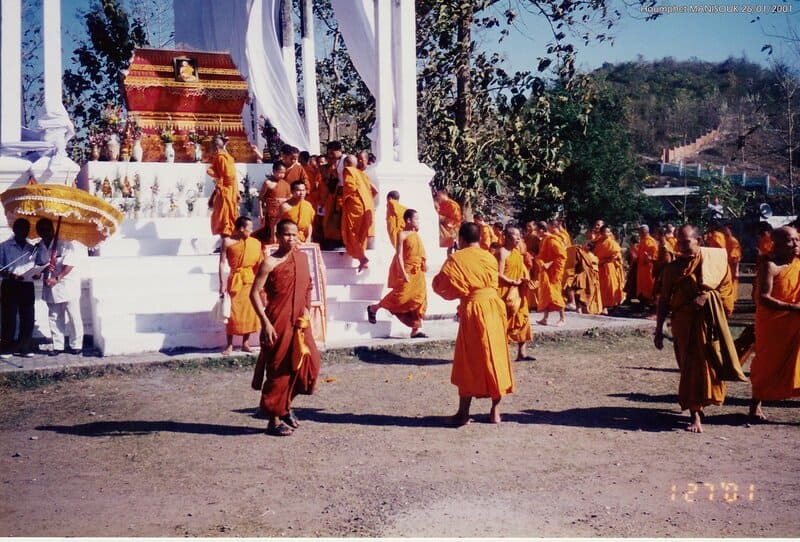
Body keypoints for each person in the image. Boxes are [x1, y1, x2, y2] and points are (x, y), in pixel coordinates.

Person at [654, 225, 746, 433]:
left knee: (709, 366)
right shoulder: (672, 269)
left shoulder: (715, 263)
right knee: (690, 367)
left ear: (699, 241)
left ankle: (700, 406)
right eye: (679, 242)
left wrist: (707, 295)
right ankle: (694, 413)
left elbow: (726, 293)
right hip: (683, 324)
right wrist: (659, 330)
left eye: (687, 242)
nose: (682, 246)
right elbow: (664, 301)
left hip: (709, 323)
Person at [432, 222, 515, 425]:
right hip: (495, 309)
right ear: (479, 238)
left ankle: (463, 413)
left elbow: (440, 286)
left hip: (474, 310)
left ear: (461, 239)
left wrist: (450, 263)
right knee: (495, 356)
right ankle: (495, 411)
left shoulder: (457, 258)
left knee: (469, 360)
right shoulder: (489, 257)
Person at [249, 220, 321, 436]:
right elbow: (254, 293)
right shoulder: (269, 263)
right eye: (286, 235)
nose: (291, 238)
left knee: (310, 364)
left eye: (294, 234)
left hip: (299, 321)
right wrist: (265, 322)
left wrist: (306, 310)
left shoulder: (302, 258)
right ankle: (274, 419)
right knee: (279, 368)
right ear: (277, 236)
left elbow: (308, 285)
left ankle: (285, 404)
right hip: (277, 321)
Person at [748, 226, 800, 421]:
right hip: (773, 322)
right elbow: (763, 298)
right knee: (766, 363)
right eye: (790, 240)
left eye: (797, 239)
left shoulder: (798, 262)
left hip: (795, 321)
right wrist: (792, 307)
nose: (795, 244)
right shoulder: (770, 265)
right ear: (777, 244)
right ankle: (755, 404)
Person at [367, 209, 428, 338]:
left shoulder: (416, 235)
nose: (418, 222)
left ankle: (415, 329)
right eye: (416, 219)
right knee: (400, 296)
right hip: (407, 270)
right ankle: (374, 308)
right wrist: (403, 273)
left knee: (419, 299)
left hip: (418, 272)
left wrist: (424, 263)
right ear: (409, 220)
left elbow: (420, 253)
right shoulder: (403, 235)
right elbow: (399, 256)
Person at [34, 219, 85, 356]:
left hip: (67, 283)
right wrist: (43, 270)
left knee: (73, 315)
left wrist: (57, 277)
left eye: (47, 230)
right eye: (41, 231)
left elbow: (70, 264)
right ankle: (58, 345)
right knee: (54, 316)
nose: (45, 233)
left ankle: (76, 345)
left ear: (52, 229)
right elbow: (38, 265)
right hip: (50, 285)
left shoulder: (65, 243)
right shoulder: (39, 247)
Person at [220, 216, 263, 355]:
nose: (251, 231)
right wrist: (221, 283)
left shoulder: (255, 243)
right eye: (249, 228)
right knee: (232, 313)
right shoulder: (227, 242)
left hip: (250, 280)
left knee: (250, 313)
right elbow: (221, 263)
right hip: (235, 281)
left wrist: (260, 283)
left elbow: (259, 264)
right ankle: (229, 345)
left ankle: (245, 343)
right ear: (241, 228)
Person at [0, 219, 37, 358]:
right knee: (8, 316)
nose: (23, 232)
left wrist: (37, 272)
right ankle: (6, 348)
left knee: (28, 316)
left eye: (26, 229)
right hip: (10, 284)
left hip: (27, 284)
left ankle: (24, 347)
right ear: (14, 229)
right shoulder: (4, 246)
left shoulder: (31, 248)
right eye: (20, 229)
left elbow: (36, 266)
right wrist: (9, 274)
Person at [496, 226, 534, 360]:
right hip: (505, 292)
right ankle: (500, 353)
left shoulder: (517, 252)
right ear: (506, 236)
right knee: (504, 322)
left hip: (518, 290)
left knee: (523, 319)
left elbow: (522, 270)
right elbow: (498, 274)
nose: (518, 238)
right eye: (515, 235)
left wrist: (524, 280)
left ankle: (522, 353)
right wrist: (512, 282)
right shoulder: (502, 252)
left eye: (519, 235)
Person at [341, 155, 375, 272]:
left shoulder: (348, 171)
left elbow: (350, 187)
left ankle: (362, 258)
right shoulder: (363, 174)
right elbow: (374, 191)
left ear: (345, 164)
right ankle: (361, 256)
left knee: (351, 230)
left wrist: (344, 199)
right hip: (367, 206)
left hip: (355, 205)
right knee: (362, 232)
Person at [208, 135, 240, 239]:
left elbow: (229, 175)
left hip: (226, 191)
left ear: (216, 147)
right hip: (228, 190)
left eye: (212, 148)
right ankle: (225, 242)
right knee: (223, 216)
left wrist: (220, 184)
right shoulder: (225, 156)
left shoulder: (222, 157)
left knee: (225, 217)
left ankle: (226, 243)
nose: (211, 151)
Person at [536, 220, 567, 326]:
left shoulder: (552, 240)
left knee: (555, 293)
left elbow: (561, 256)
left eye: (537, 230)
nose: (536, 232)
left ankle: (562, 319)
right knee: (546, 292)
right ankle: (545, 318)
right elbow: (543, 255)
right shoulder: (545, 240)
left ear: (541, 230)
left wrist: (549, 263)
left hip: (554, 271)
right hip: (546, 270)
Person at [592, 225, 625, 313]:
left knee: (612, 286)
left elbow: (617, 256)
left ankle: (615, 305)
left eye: (608, 232)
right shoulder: (598, 243)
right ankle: (604, 306)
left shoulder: (612, 243)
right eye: (605, 232)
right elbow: (594, 255)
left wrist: (614, 259)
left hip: (610, 267)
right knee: (602, 287)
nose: (607, 234)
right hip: (600, 267)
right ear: (601, 233)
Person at [257, 162, 291, 244]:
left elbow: (289, 198)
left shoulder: (286, 184)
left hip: (283, 212)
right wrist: (261, 214)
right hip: (271, 213)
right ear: (274, 171)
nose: (282, 175)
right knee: (271, 235)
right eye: (280, 172)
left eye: (284, 173)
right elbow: (260, 199)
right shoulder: (268, 183)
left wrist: (284, 201)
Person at [636, 224, 658, 309]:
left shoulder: (651, 241)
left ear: (644, 231)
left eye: (640, 231)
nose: (639, 233)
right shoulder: (642, 240)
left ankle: (650, 302)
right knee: (641, 284)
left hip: (648, 266)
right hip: (641, 267)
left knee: (649, 284)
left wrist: (648, 258)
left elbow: (654, 255)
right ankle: (643, 301)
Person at [721, 224, 742, 300]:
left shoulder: (733, 241)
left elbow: (736, 257)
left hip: (732, 266)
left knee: (732, 282)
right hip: (724, 266)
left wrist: (736, 270)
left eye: (725, 229)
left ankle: (732, 299)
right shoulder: (722, 239)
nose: (723, 231)